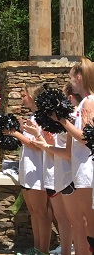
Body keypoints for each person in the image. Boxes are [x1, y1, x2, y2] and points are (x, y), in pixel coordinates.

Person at [33, 58, 94, 254]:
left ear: (79, 76)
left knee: (86, 226)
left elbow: (86, 138)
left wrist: (62, 121)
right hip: (79, 171)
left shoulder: (88, 102)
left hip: (86, 170)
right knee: (83, 225)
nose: (70, 81)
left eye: (70, 76)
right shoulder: (85, 102)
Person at [3, 85, 52, 255]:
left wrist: (15, 133)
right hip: (28, 170)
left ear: (32, 97)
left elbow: (38, 146)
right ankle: (36, 248)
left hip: (38, 171)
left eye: (24, 95)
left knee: (41, 212)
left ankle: (42, 250)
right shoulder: (33, 116)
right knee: (33, 212)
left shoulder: (43, 119)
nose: (22, 98)